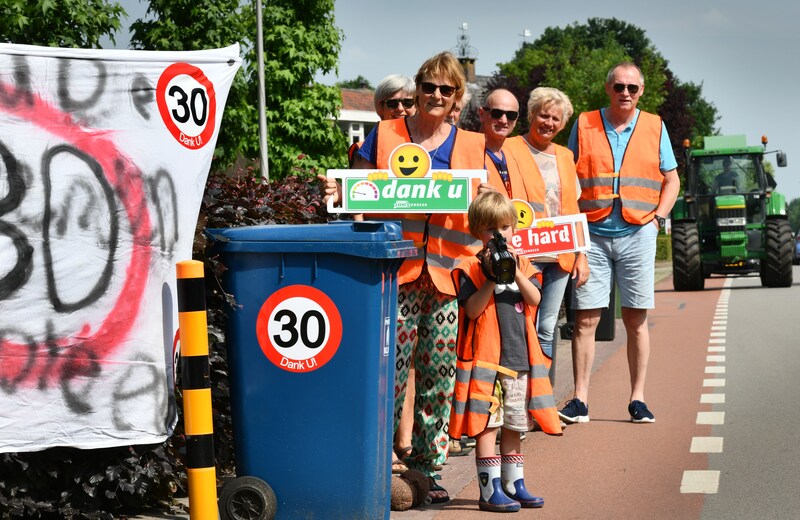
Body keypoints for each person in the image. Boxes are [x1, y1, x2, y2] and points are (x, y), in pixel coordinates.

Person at [322, 51, 486, 503]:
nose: (436, 95)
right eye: (429, 86)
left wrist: (490, 202)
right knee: (387, 374)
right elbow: (356, 194)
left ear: (457, 98)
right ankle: (374, 465)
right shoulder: (386, 133)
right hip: (395, 271)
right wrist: (339, 191)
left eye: (446, 89)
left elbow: (489, 210)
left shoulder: (472, 145)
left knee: (437, 375)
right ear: (416, 89)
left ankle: (427, 471)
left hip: (446, 278)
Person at [560, 61, 680, 424]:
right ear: (607, 88)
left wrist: (659, 218)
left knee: (635, 320)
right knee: (584, 320)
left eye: (632, 88)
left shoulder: (655, 125)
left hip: (639, 231)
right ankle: (579, 400)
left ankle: (637, 399)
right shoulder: (584, 123)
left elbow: (671, 179)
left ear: (641, 91)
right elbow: (568, 176)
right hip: (592, 235)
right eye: (618, 87)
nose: (625, 93)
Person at [449, 191, 562, 512]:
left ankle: (515, 483)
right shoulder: (469, 267)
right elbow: (471, 311)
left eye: (505, 228)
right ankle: (490, 488)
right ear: (477, 232)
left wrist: (512, 271)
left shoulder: (523, 263)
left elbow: (535, 299)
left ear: (514, 228)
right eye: (490, 230)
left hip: (519, 361)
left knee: (514, 424)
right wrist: (489, 278)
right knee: (488, 425)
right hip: (487, 364)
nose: (498, 236)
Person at [479, 88, 589, 379]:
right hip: (524, 252)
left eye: (556, 118)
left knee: (546, 325)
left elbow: (573, 208)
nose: (548, 122)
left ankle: (541, 397)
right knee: (519, 324)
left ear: (563, 123)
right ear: (531, 115)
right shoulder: (511, 147)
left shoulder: (566, 156)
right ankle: (520, 394)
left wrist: (582, 256)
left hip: (561, 255)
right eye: (543, 115)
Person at [347, 74, 416, 167]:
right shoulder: (364, 151)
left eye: (408, 102)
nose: (400, 108)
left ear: (417, 105)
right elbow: (356, 181)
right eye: (392, 103)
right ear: (380, 107)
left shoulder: (432, 141)